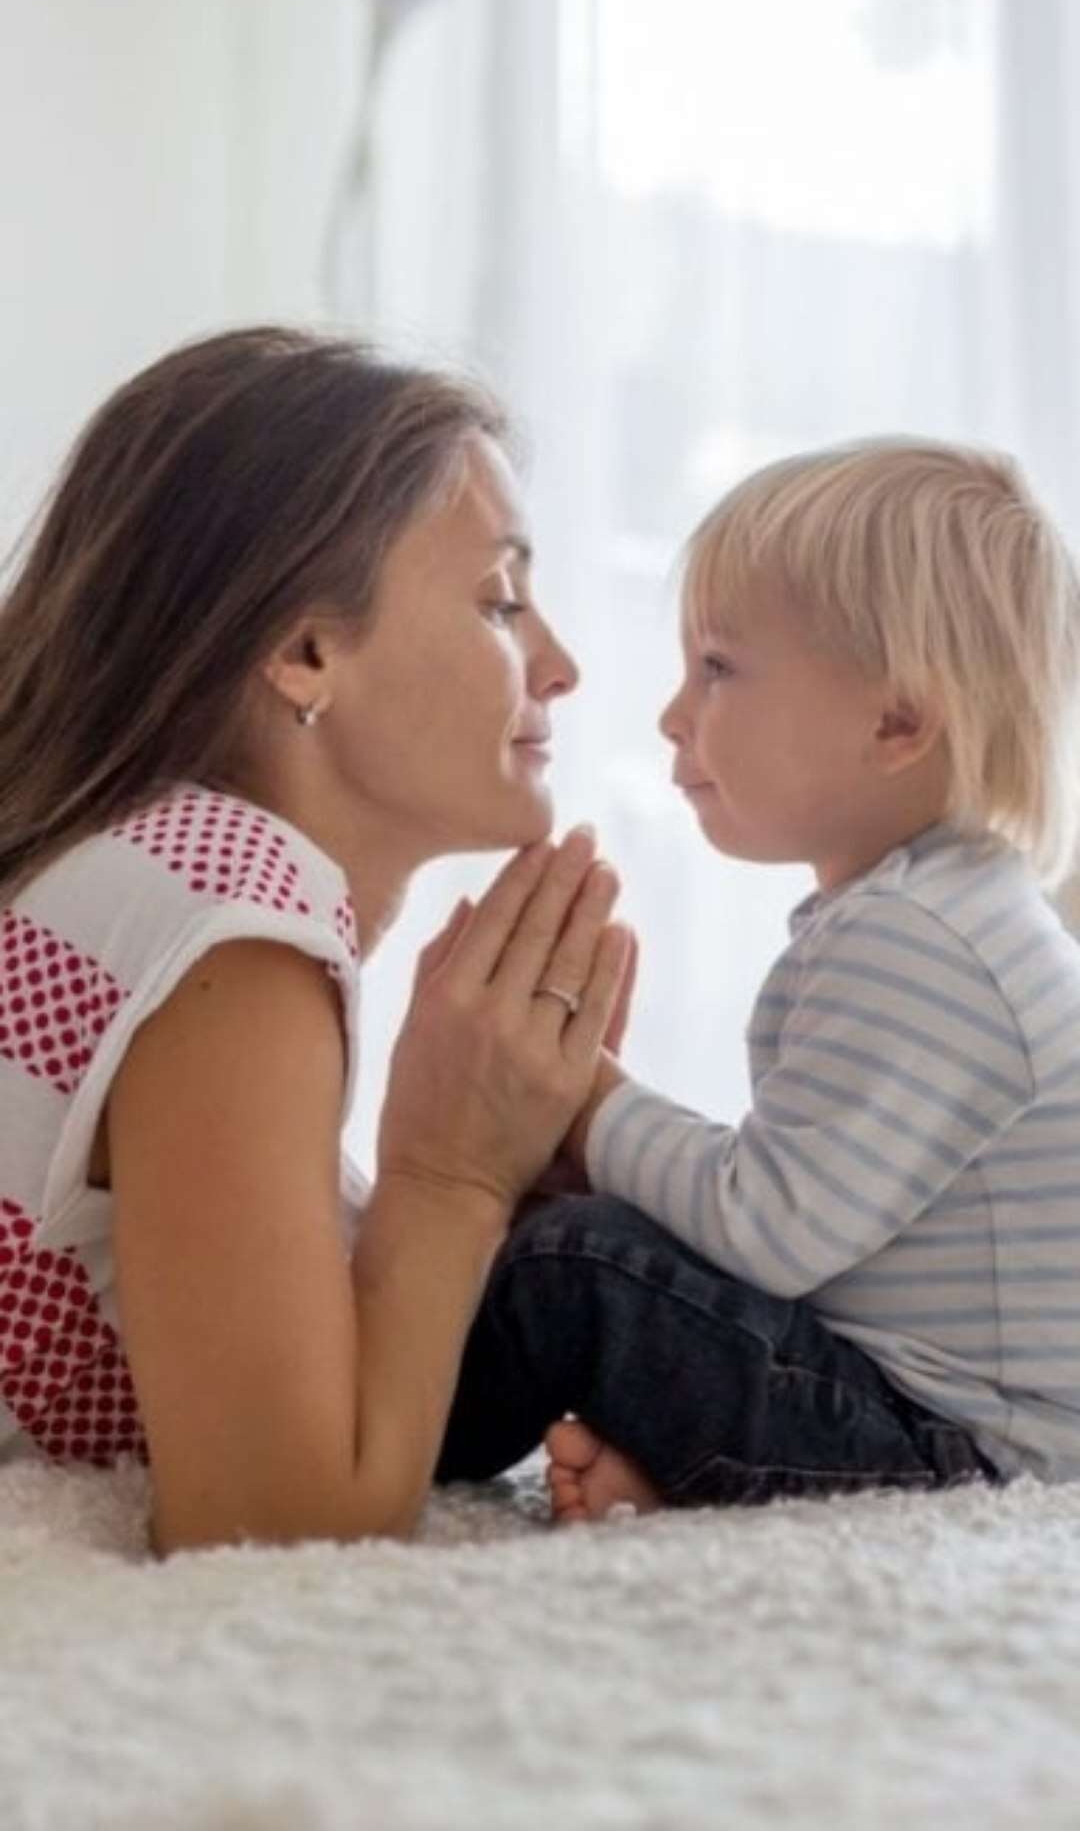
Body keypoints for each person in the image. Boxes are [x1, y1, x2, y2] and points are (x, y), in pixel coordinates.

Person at [0, 325, 632, 1552]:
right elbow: (272, 1522)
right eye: (500, 602)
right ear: (304, 652)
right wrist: (447, 1173)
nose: (559, 665)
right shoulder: (230, 906)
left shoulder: (130, 872)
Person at [437, 439, 1080, 1519]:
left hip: (967, 1453)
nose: (672, 714)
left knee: (578, 1260)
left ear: (897, 723)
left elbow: (770, 1230)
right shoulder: (947, 907)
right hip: (921, 1408)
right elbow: (804, 1222)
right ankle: (693, 1472)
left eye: (718, 670)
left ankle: (389, 1433)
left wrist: (592, 1108)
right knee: (619, 1240)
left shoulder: (921, 936)